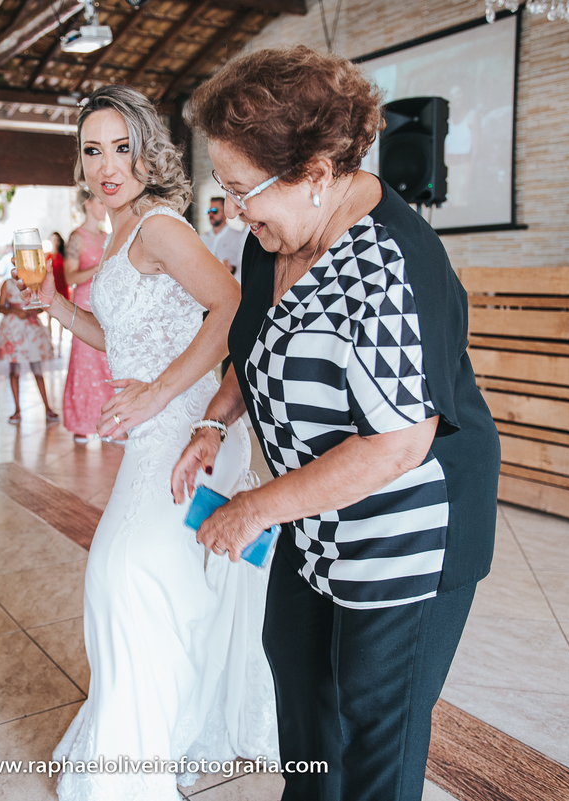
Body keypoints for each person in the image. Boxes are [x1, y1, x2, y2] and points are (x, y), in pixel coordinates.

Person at [173, 46, 501, 801]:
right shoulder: (271, 240)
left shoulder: (390, 264)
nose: (231, 208)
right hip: (312, 511)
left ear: (316, 172)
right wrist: (215, 423)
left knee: (371, 723)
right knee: (295, 668)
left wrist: (256, 507)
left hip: (404, 529)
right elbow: (253, 344)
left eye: (240, 188)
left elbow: (398, 442)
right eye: (221, 188)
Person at [18, 85, 277, 800]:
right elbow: (124, 337)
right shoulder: (118, 232)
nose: (107, 164)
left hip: (188, 430)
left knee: (122, 577)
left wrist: (159, 394)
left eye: (121, 147)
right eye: (93, 149)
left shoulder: (161, 225)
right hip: (149, 434)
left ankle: (135, 766)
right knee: (160, 590)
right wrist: (56, 308)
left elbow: (232, 306)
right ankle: (160, 738)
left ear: (147, 150)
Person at [60, 189, 113, 444]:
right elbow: (70, 277)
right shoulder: (76, 237)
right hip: (83, 303)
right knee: (83, 364)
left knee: (107, 363)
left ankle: (110, 423)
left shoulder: (108, 237)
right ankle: (81, 424)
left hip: (106, 305)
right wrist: (97, 267)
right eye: (99, 201)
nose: (104, 206)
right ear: (87, 203)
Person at [0, 275, 57, 424]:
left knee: (38, 370)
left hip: (31, 328)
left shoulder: (34, 282)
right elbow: (0, 307)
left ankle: (47, 407)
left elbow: (42, 305)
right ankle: (17, 409)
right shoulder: (8, 283)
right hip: (14, 329)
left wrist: (35, 311)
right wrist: (15, 312)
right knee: (14, 370)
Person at [199, 197, 248, 282]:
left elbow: (244, 266)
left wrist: (232, 269)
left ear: (225, 213)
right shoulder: (201, 238)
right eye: (208, 211)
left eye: (214, 211)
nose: (211, 214)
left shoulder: (239, 237)